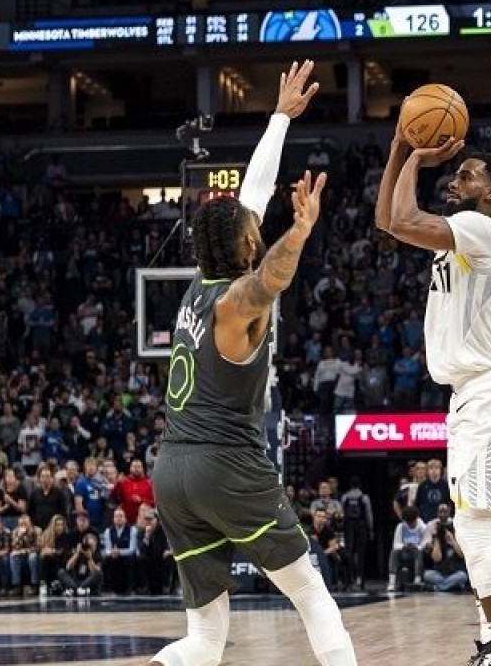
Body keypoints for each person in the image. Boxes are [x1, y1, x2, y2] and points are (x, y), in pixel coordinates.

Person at [150, 60, 357, 666]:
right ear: (246, 243)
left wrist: (278, 120)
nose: (257, 224)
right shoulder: (237, 300)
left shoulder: (199, 285)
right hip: (226, 466)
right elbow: (269, 279)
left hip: (174, 474)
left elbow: (251, 196)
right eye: (254, 228)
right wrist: (302, 229)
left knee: (205, 640)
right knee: (312, 593)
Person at [377, 100, 491, 666]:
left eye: (468, 173)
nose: (457, 176)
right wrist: (399, 149)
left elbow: (403, 220)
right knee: (469, 530)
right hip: (468, 395)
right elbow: (386, 220)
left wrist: (413, 156)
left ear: (490, 191)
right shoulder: (464, 229)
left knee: (474, 525)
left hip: (489, 389)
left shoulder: (486, 229)